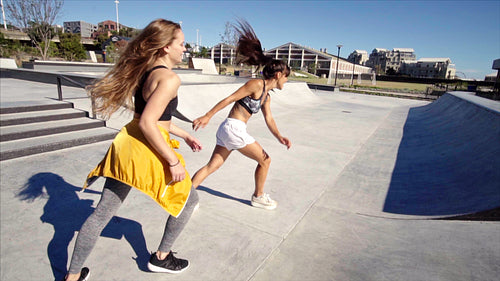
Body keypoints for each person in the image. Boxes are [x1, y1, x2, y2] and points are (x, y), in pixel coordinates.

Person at [63, 19, 202, 281]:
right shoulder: (170, 78)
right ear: (164, 47)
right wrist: (173, 161)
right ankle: (161, 257)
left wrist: (184, 135)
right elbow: (150, 124)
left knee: (102, 213)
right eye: (181, 44)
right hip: (147, 149)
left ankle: (71, 276)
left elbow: (155, 120)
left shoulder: (148, 71)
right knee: (188, 201)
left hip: (128, 144)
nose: (184, 49)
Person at [191, 20, 291, 210]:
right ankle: (258, 196)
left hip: (229, 131)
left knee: (212, 166)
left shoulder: (266, 97)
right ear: (278, 75)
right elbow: (230, 99)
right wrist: (208, 115)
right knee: (265, 160)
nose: (286, 81)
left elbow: (269, 119)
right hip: (233, 128)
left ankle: (183, 198)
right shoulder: (256, 85)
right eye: (286, 77)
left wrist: (280, 137)